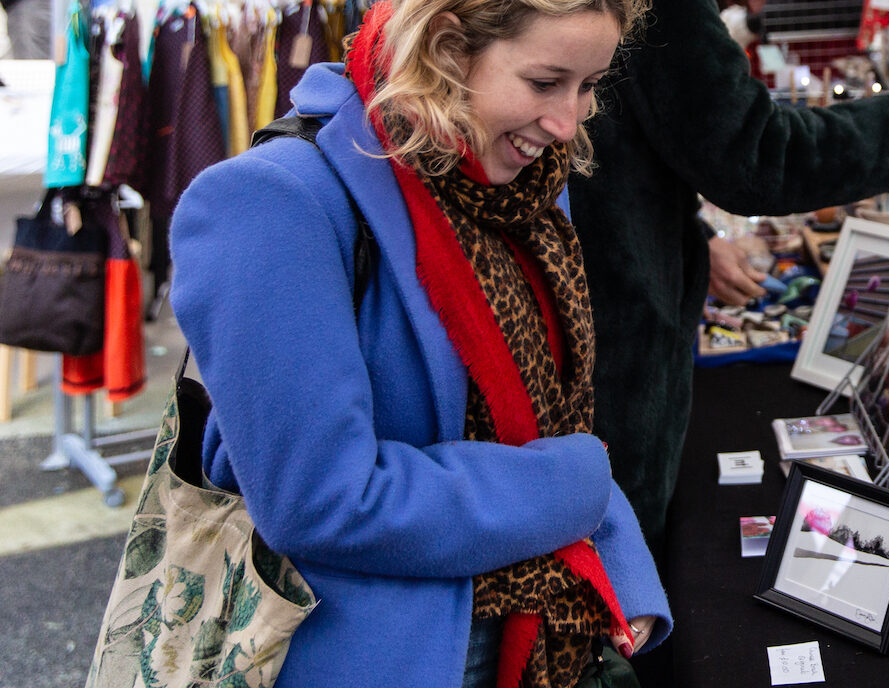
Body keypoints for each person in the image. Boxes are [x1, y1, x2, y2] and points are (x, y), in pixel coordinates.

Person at [167, 0, 670, 684]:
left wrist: (617, 561)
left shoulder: (518, 186)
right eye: (545, 82)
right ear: (445, 48)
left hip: (544, 629)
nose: (565, 123)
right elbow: (320, 498)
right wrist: (577, 486)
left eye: (587, 87)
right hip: (384, 654)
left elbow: (553, 419)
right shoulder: (275, 200)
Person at [567, 0, 889, 542]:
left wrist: (692, 237)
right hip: (610, 337)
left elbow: (631, 145)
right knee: (615, 556)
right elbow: (751, 153)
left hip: (596, 299)